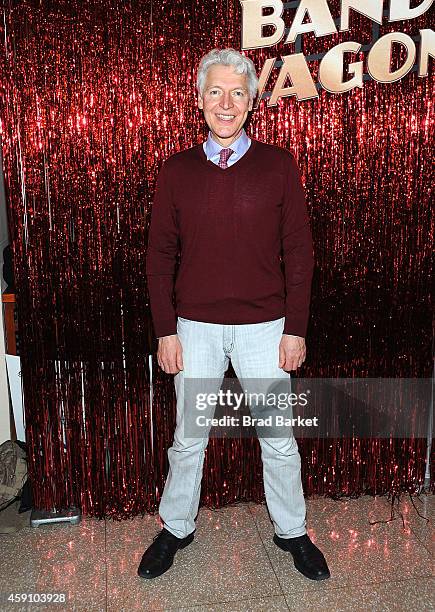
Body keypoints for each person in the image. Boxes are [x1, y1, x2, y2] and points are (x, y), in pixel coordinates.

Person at [140, 47, 330, 582]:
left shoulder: (278, 165)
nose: (227, 102)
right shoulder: (176, 171)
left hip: (265, 328)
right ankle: (177, 526)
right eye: (216, 91)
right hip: (194, 329)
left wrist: (295, 327)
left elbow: (300, 251)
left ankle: (292, 530)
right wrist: (165, 330)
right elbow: (158, 256)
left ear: (252, 102)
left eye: (238, 92)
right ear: (200, 100)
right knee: (189, 438)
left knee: (279, 438)